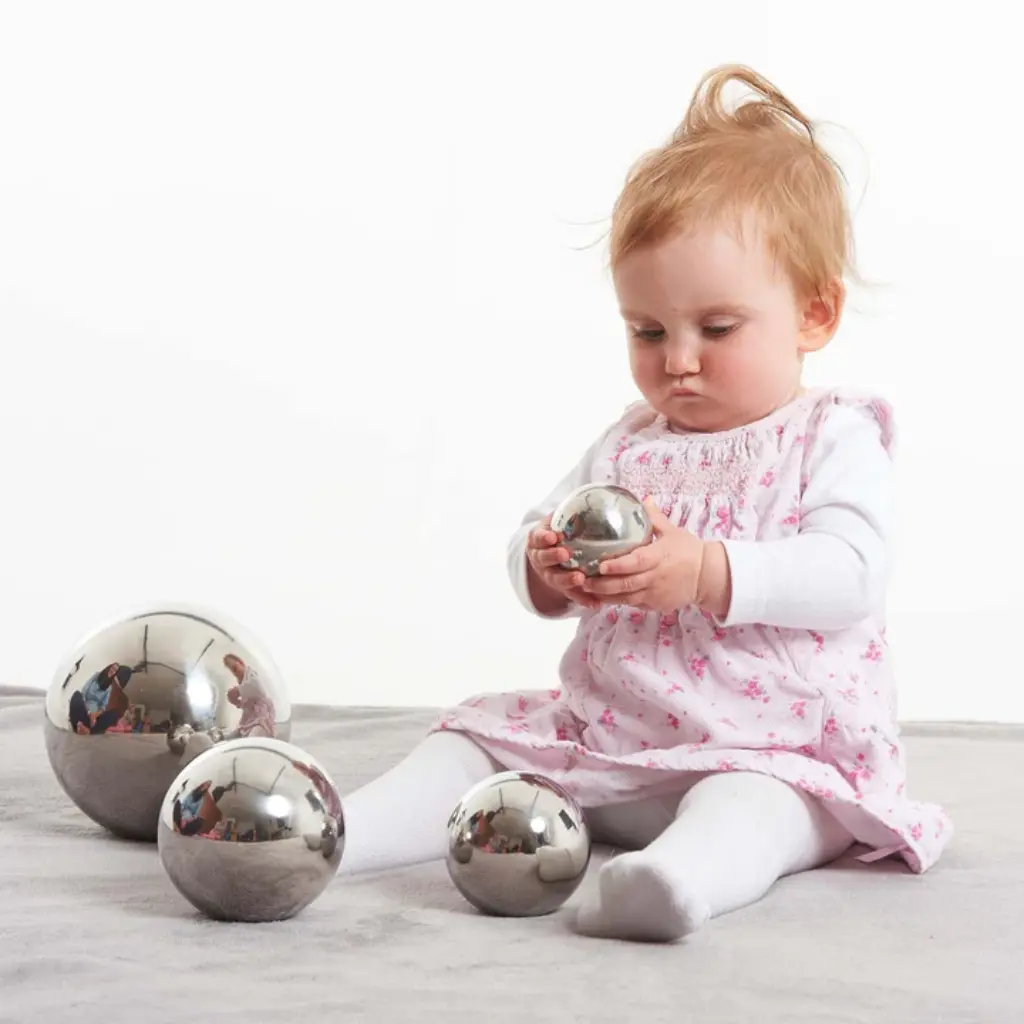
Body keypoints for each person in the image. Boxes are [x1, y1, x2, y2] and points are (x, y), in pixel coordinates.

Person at [335, 64, 952, 942]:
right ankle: (342, 831)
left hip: (772, 747)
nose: (679, 361)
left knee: (758, 811)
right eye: (648, 330)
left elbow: (852, 573)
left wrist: (706, 569)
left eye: (718, 328)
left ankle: (672, 879)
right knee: (475, 744)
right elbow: (536, 528)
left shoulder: (830, 435)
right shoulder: (631, 440)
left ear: (814, 315)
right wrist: (545, 569)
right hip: (607, 743)